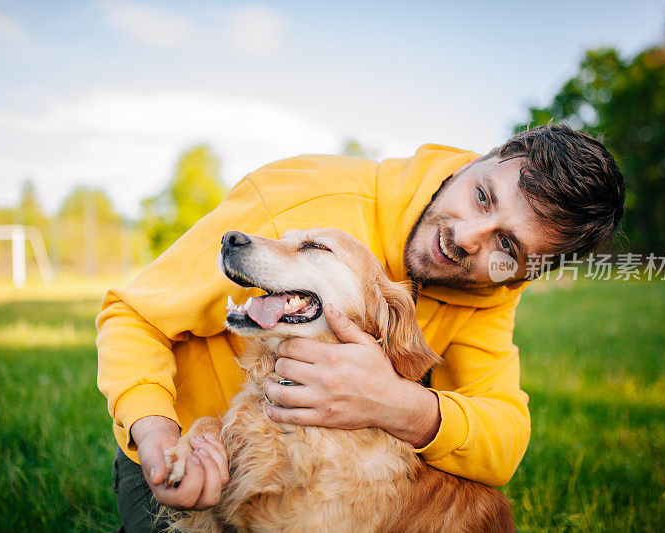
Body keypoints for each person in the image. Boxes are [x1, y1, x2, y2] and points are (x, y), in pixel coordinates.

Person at [96, 124, 625, 532]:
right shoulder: (301, 202)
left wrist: (395, 404)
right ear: (475, 163)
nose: (468, 237)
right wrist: (161, 439)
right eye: (483, 196)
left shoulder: (490, 287)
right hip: (190, 443)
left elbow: (504, 439)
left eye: (507, 245)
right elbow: (133, 314)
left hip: (334, 477)